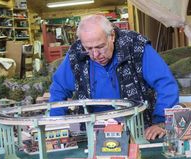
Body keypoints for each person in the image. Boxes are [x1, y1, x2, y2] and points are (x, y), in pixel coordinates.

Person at [49, 15, 179, 140]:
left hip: (139, 130)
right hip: (93, 133)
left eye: (100, 46)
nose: (95, 54)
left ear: (112, 36)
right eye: (88, 48)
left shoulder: (136, 46)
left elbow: (165, 84)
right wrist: (57, 126)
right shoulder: (76, 53)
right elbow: (59, 89)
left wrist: (161, 121)